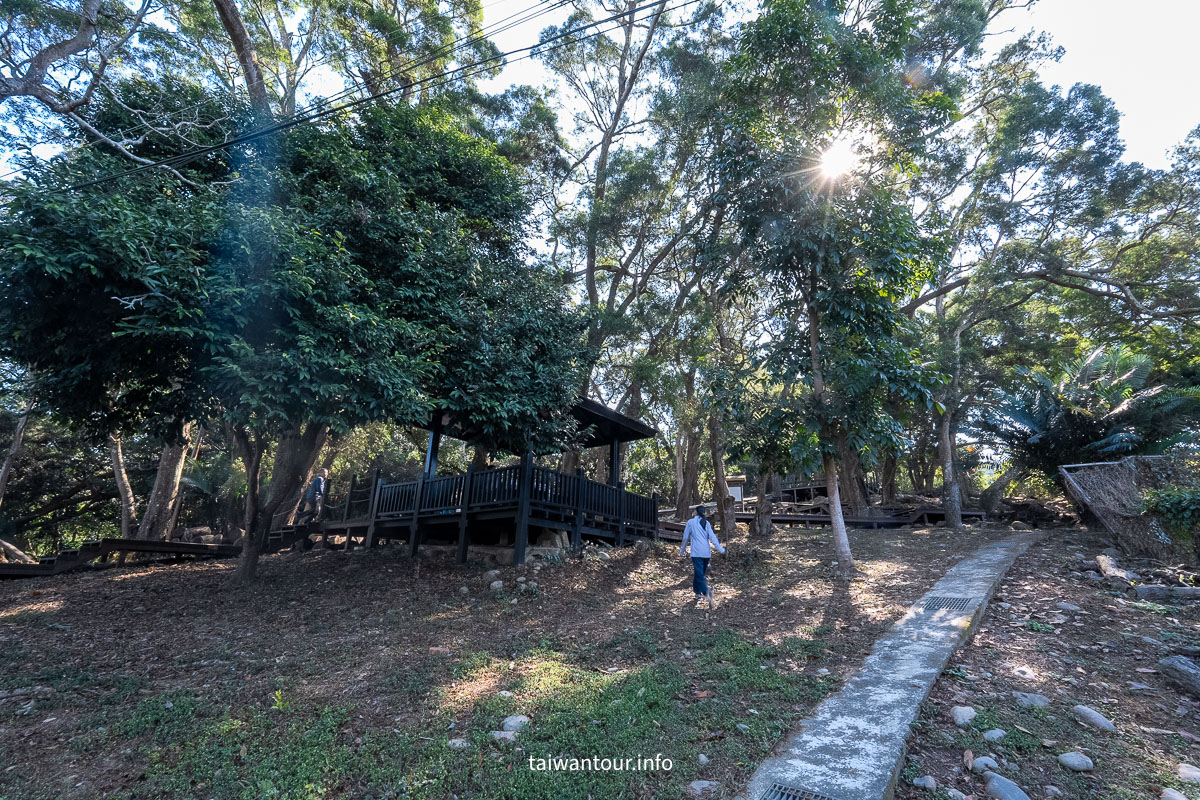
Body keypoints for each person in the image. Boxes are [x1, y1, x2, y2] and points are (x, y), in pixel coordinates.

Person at [679, 504, 725, 609]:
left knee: (699, 574)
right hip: (706, 552)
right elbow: (713, 537)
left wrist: (682, 550)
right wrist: (720, 549)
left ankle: (705, 591)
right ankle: (697, 593)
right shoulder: (707, 523)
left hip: (696, 552)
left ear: (695, 512)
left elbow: (686, 537)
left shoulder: (690, 522)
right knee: (699, 573)